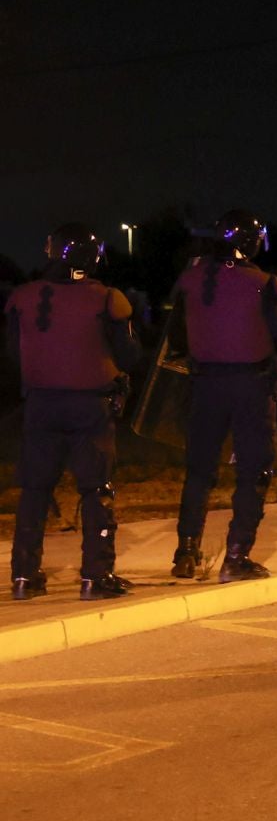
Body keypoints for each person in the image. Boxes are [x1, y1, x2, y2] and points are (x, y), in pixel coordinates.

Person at [6, 225, 143, 600]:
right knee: (96, 490)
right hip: (89, 406)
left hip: (40, 405)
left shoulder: (22, 297)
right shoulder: (106, 298)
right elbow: (129, 355)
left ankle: (23, 576)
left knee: (35, 491)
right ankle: (95, 576)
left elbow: (14, 354)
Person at [167, 210, 277, 583]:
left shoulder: (190, 280)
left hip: (205, 387)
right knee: (254, 471)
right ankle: (236, 556)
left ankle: (186, 550)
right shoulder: (265, 283)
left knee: (199, 471)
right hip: (251, 388)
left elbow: (176, 339)